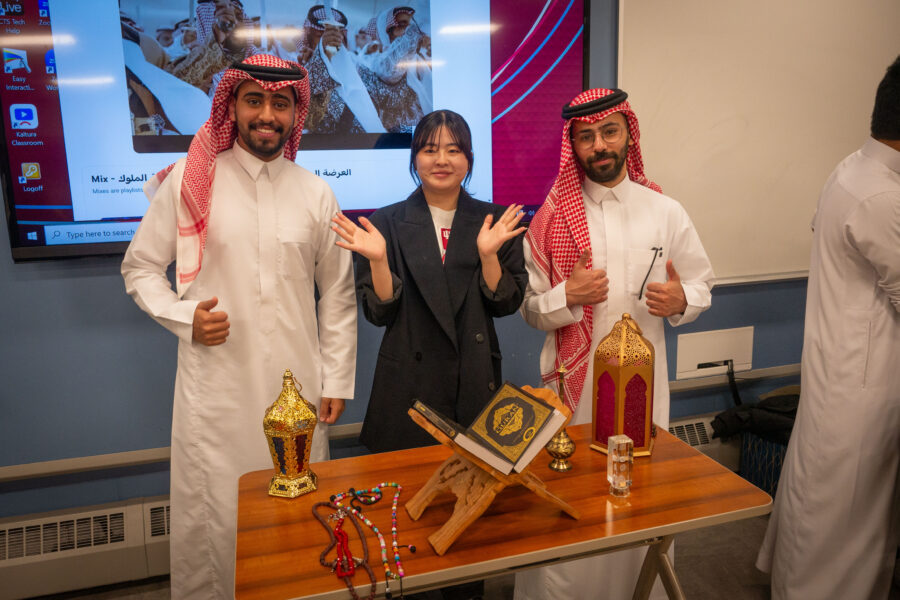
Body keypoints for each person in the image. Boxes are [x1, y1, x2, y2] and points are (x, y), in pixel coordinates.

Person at [121, 54, 357, 599]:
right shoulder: (190, 181)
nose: (267, 115)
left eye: (280, 103)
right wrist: (185, 318)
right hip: (217, 388)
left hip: (299, 386)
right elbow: (139, 268)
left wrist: (337, 380)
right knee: (219, 513)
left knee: (298, 515)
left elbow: (338, 294)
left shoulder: (316, 192)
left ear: (296, 113)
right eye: (254, 101)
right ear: (231, 107)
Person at [516, 88, 715, 599]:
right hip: (573, 395)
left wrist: (683, 300)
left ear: (629, 134)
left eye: (609, 132)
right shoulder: (551, 218)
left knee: (641, 500)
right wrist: (568, 295)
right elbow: (531, 310)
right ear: (573, 145)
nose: (599, 145)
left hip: (643, 393)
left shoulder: (665, 211)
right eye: (586, 137)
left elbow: (701, 285)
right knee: (571, 506)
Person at [756, 55, 900, 600]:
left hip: (840, 368)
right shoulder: (884, 196)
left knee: (820, 498)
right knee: (848, 519)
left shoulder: (852, 168)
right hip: (865, 382)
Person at [332, 109, 527, 453]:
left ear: (469, 159)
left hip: (472, 378)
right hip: (408, 385)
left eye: (454, 150)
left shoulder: (495, 221)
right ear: (414, 158)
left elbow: (505, 305)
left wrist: (488, 256)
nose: (442, 160)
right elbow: (379, 314)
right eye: (430, 150)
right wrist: (378, 260)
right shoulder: (385, 222)